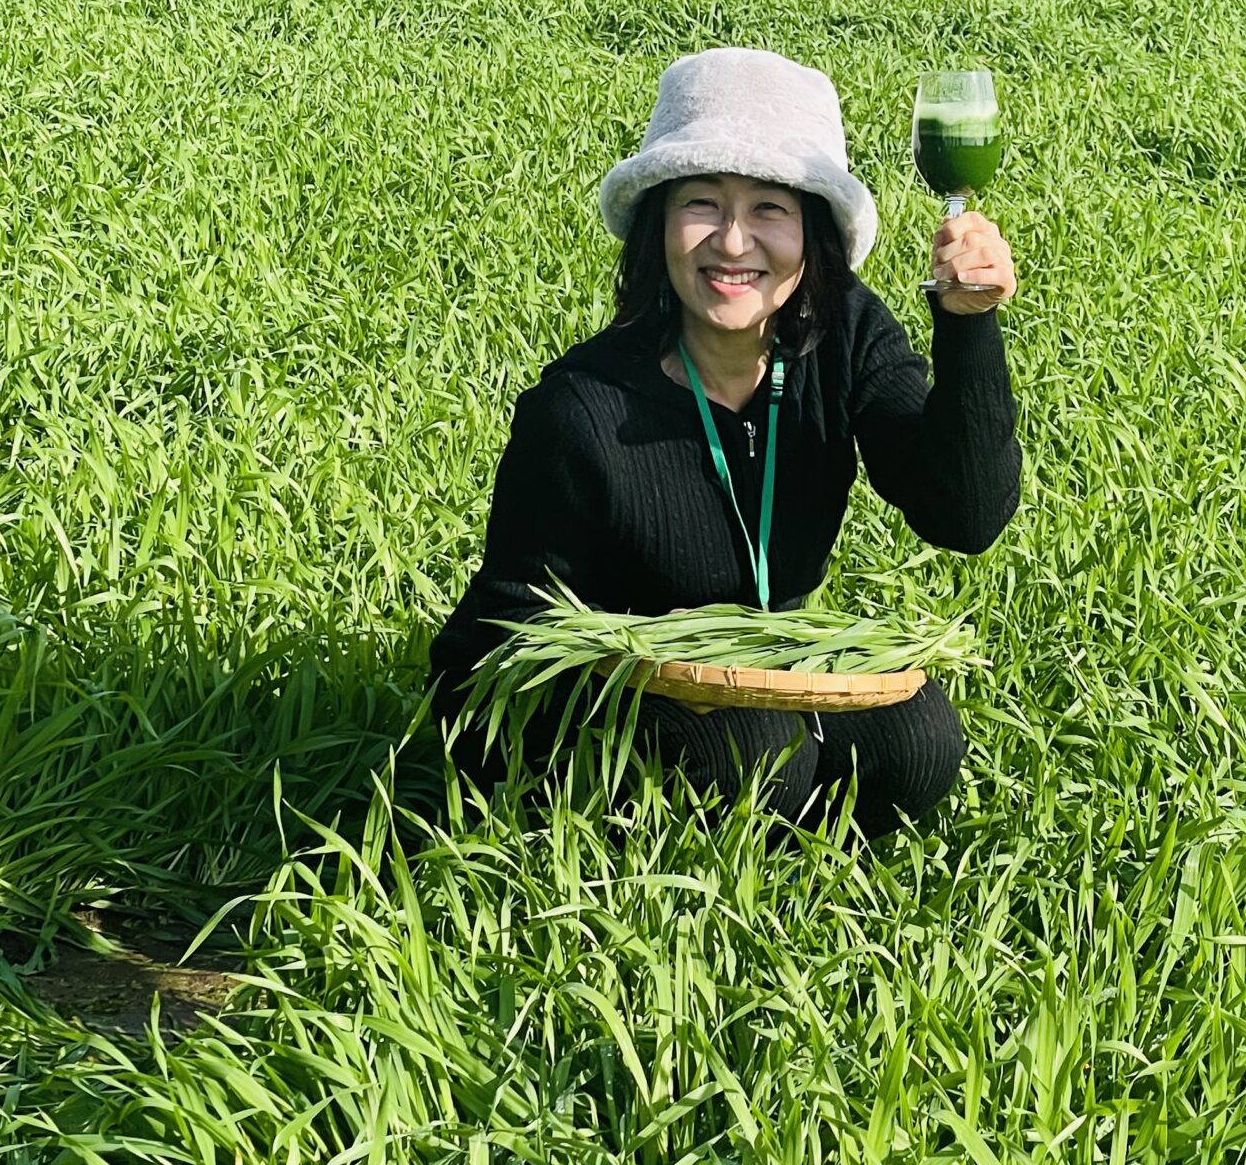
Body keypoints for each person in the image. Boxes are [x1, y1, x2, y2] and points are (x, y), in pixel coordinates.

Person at [429, 47, 1021, 838]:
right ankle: (666, 856)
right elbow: (495, 651)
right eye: (702, 204)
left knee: (916, 739)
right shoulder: (581, 410)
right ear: (658, 224)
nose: (734, 243)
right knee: (752, 752)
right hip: (605, 698)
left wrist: (969, 327)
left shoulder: (843, 337)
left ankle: (783, 876)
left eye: (769, 209)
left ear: (812, 232)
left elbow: (965, 516)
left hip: (765, 674)